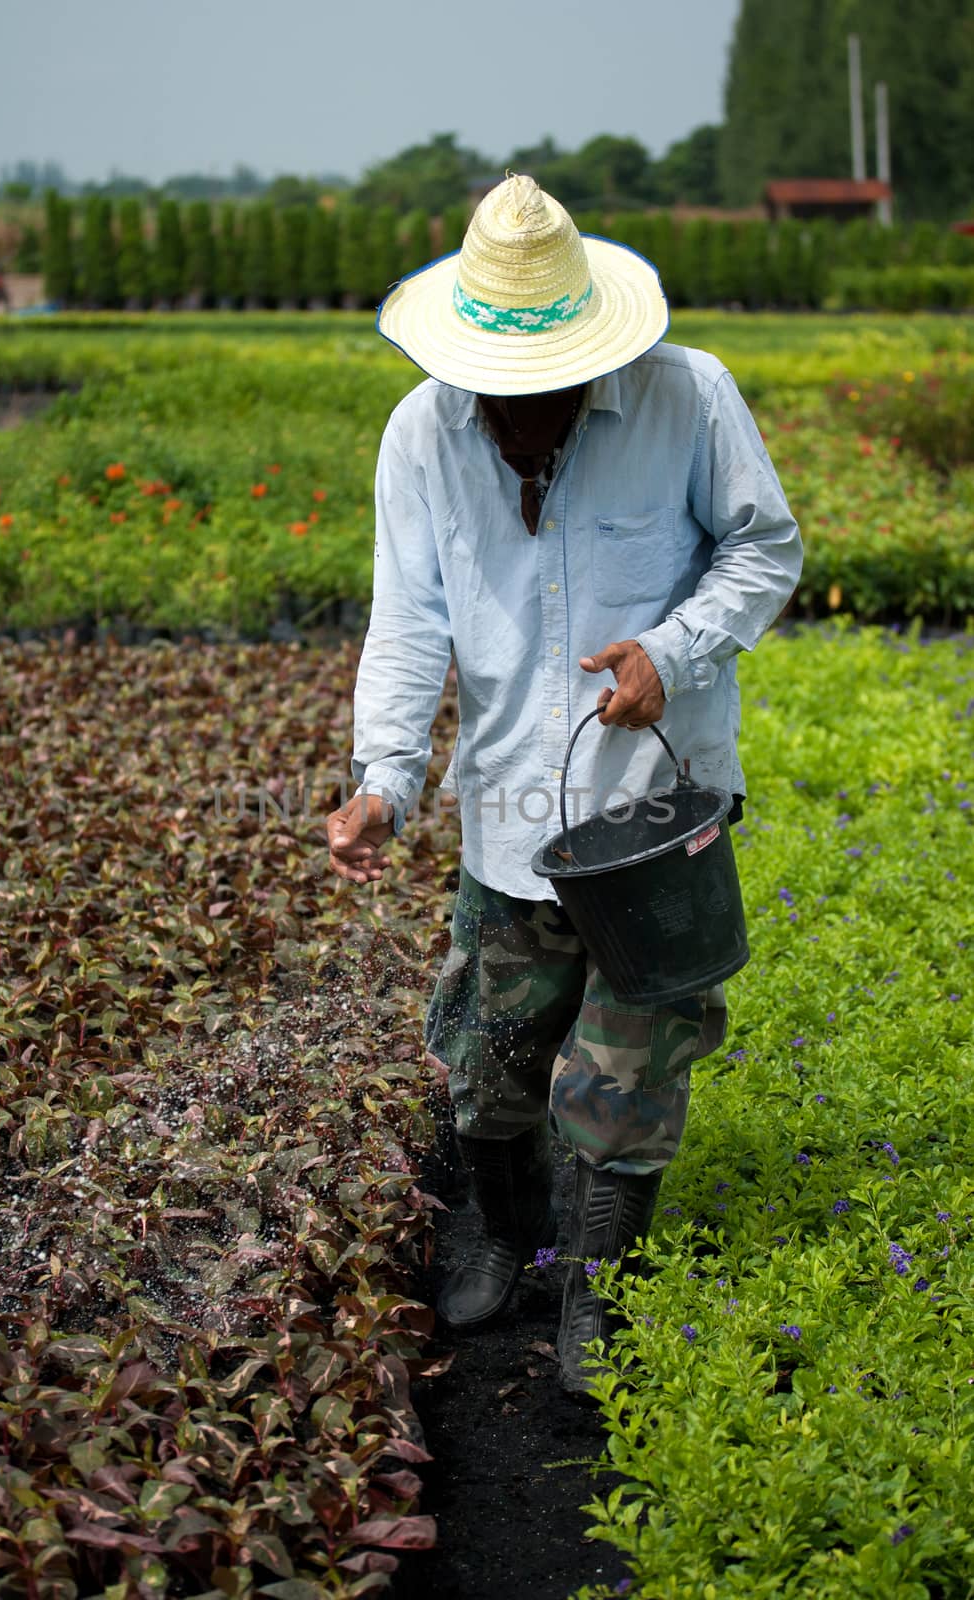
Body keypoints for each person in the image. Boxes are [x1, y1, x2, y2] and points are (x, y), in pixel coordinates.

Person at [326, 174, 803, 1395]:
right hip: (505, 817)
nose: (516, 418)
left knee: (622, 1077)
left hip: (654, 816)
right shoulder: (420, 434)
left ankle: (598, 1294)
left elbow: (763, 546)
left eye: (543, 394)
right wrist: (385, 775)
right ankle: (500, 1236)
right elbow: (409, 619)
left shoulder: (685, 397)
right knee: (489, 1065)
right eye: (497, 397)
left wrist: (672, 649)